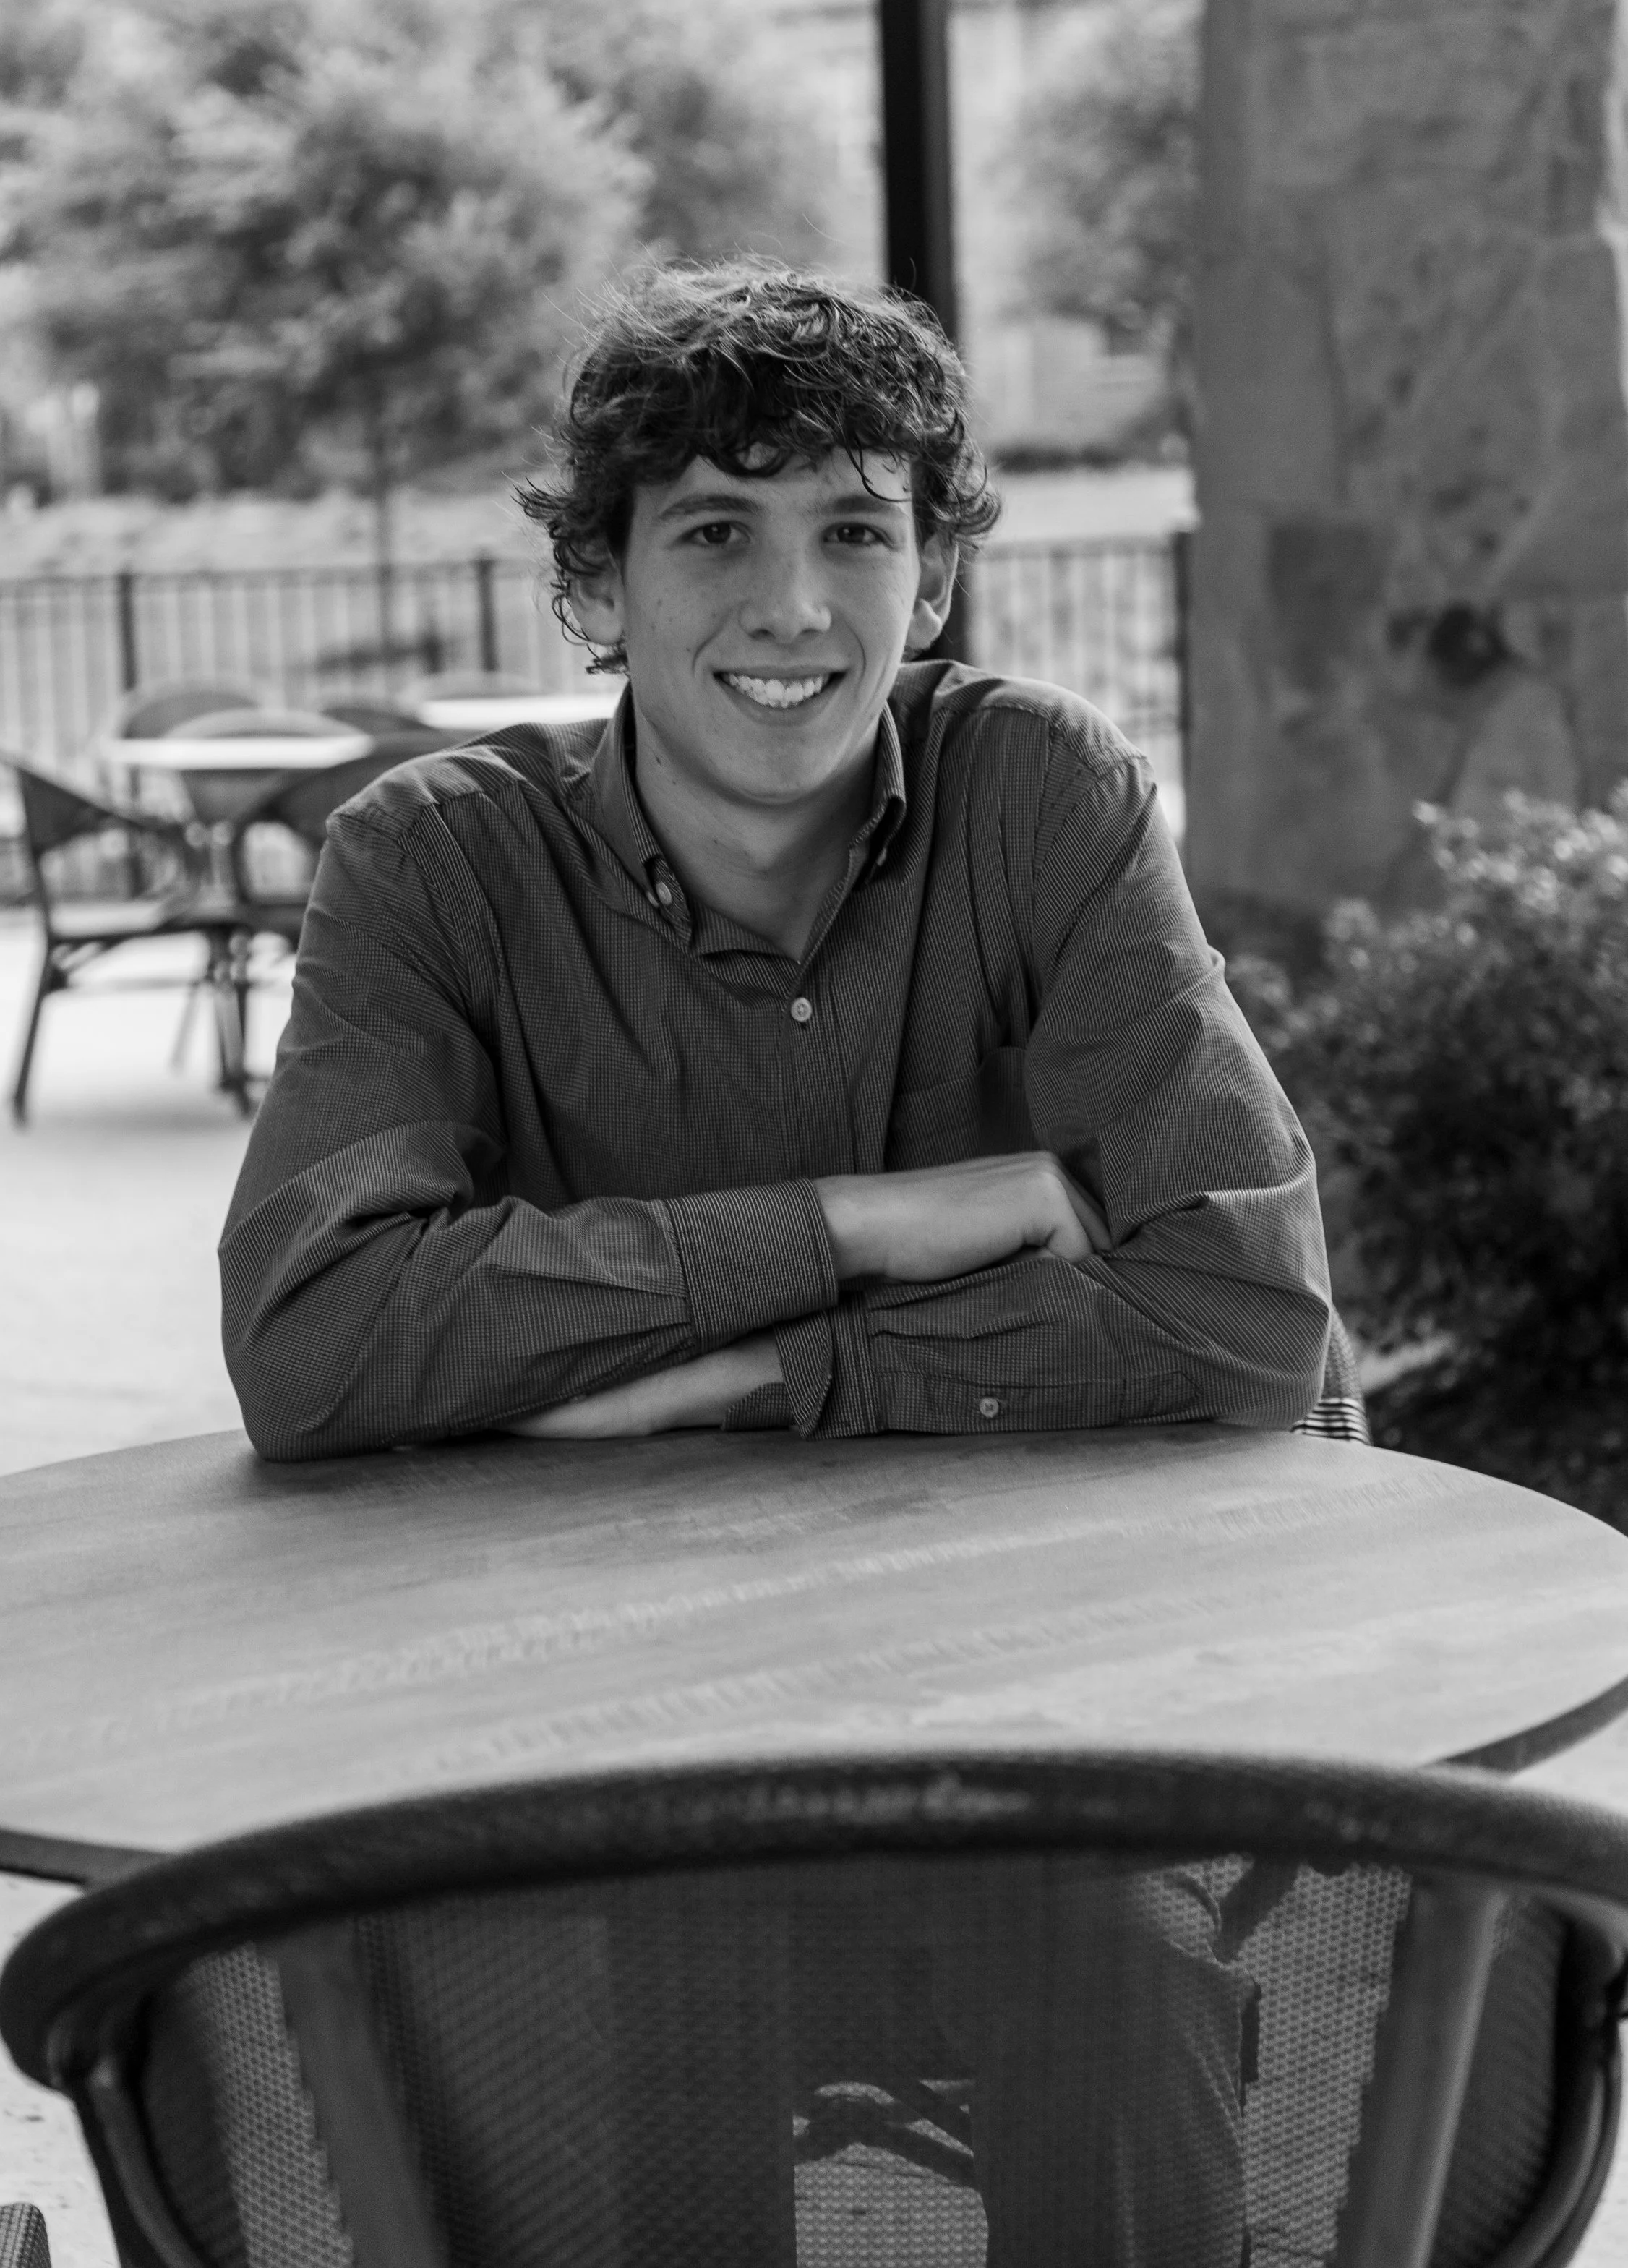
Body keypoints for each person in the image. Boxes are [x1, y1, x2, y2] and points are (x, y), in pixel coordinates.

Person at [218, 260, 1363, 2267]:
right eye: (714, 533)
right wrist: (855, 1224)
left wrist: (747, 1375)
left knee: (1109, 1954)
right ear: (596, 584)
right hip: (582, 1724)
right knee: (551, 1997)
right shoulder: (437, 860)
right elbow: (317, 1333)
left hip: (1026, 1719)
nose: (795, 604)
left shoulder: (1043, 798)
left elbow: (1247, 1312)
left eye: (855, 531)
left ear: (928, 583)